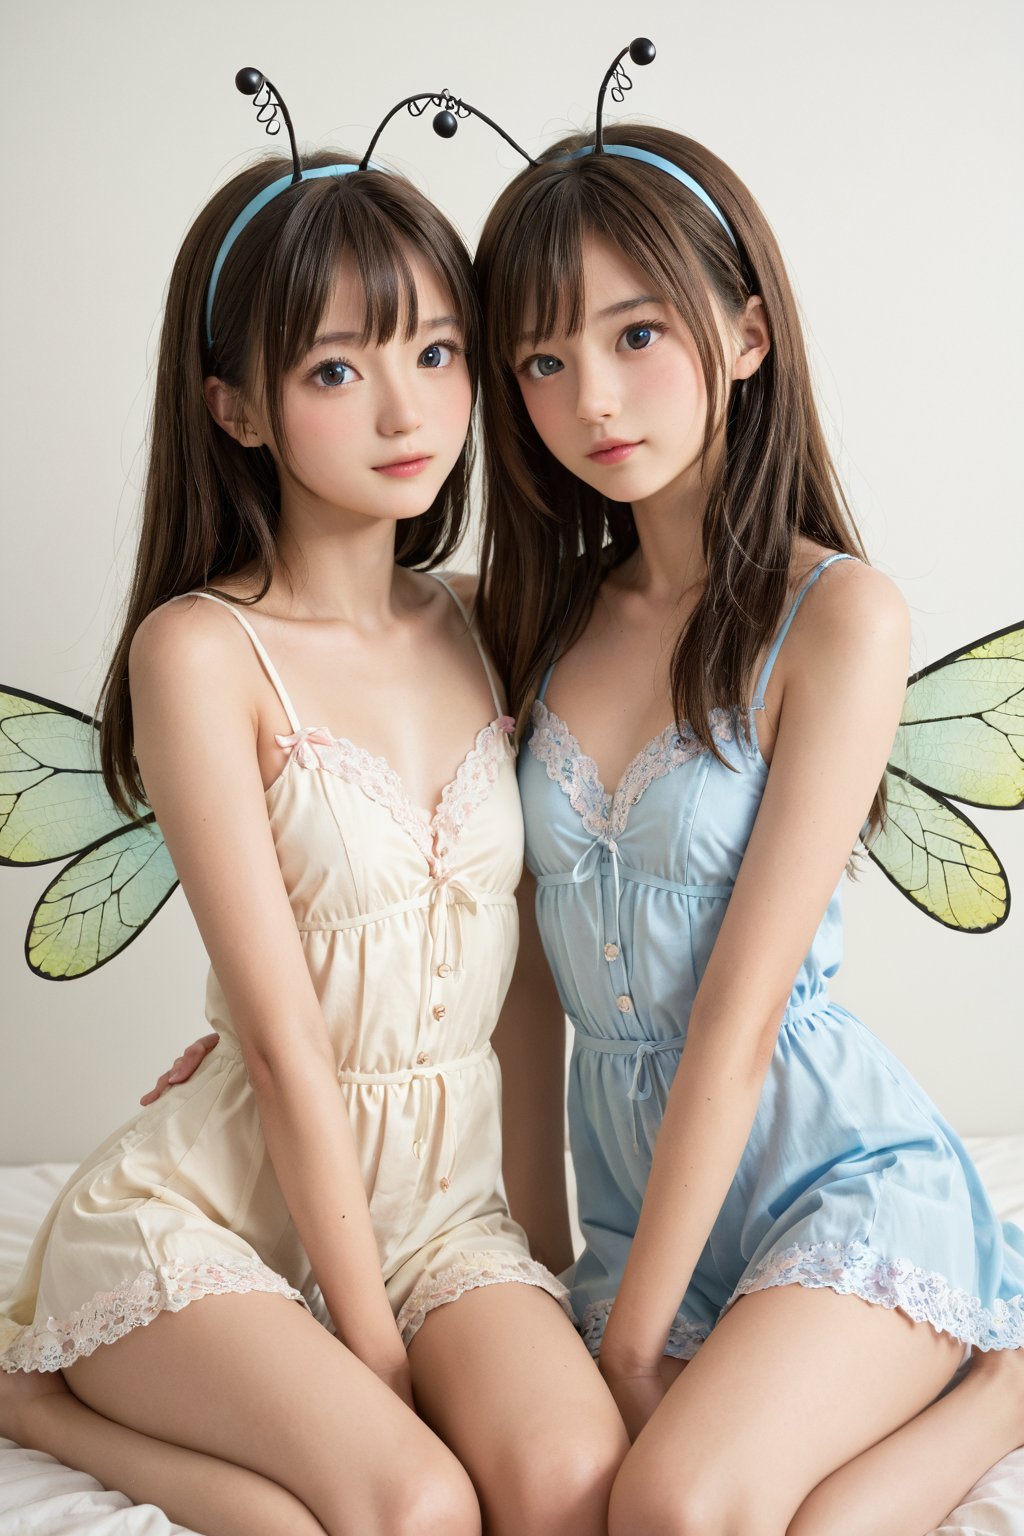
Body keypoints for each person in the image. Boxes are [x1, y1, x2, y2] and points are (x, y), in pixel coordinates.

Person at [0, 140, 627, 1536]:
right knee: (412, 1507)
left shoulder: (486, 621)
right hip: (218, 1213)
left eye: (441, 352)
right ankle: (40, 1396)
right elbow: (283, 1042)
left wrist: (542, 1255)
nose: (407, 409)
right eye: (337, 370)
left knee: (574, 1480)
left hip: (447, 1215)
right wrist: (379, 1355)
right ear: (235, 409)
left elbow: (522, 985)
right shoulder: (201, 653)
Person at [472, 120, 1024, 1535]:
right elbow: (526, 997)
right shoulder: (526, 622)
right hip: (633, 1206)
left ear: (749, 332)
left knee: (674, 1509)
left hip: (834, 1180)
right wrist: (543, 1273)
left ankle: (1007, 1379)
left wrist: (631, 1343)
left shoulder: (837, 617)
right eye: (541, 359)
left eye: (637, 332)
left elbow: (736, 1015)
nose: (591, 394)